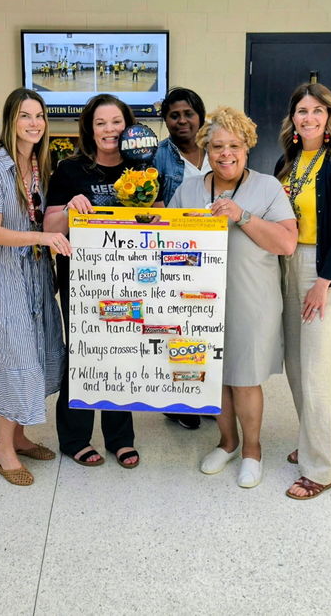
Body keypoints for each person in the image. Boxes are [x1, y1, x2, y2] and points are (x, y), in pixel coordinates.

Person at [168, 107, 297, 488]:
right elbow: (167, 236)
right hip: (199, 301)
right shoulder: (190, 189)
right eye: (217, 146)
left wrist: (242, 216)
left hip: (251, 299)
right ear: (206, 149)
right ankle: (227, 443)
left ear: (247, 148)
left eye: (234, 146)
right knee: (212, 376)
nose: (226, 153)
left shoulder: (267, 188)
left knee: (244, 378)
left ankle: (253, 451)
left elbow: (287, 243)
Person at [0, 89, 69, 487]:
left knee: (36, 352)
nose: (34, 123)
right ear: (10, 120)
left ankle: (19, 436)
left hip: (35, 274)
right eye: (25, 116)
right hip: (3, 276)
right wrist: (42, 239)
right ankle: (3, 451)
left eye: (39, 116)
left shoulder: (38, 163)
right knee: (15, 358)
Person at [43, 94, 145, 469]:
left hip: (131, 278)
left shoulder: (143, 167)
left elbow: (160, 223)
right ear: (89, 128)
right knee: (84, 352)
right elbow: (49, 228)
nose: (109, 130)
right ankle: (75, 438)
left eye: (116, 122)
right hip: (82, 279)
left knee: (122, 351)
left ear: (127, 125)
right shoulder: (70, 170)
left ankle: (120, 437)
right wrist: (70, 209)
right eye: (101, 123)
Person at [274, 83, 331, 500]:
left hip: (323, 269)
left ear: (330, 116)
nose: (308, 118)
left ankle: (319, 469)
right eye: (301, 111)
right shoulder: (288, 162)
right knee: (296, 365)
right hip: (288, 264)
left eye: (316, 111)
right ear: (292, 117)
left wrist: (324, 282)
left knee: (317, 371)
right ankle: (322, 440)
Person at [152, 86, 210, 430]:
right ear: (166, 121)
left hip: (217, 252)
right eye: (174, 115)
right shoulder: (158, 156)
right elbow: (151, 205)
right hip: (177, 255)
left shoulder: (217, 147)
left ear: (199, 115)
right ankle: (180, 400)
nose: (182, 120)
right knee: (180, 328)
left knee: (208, 326)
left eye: (188, 113)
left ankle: (205, 394)